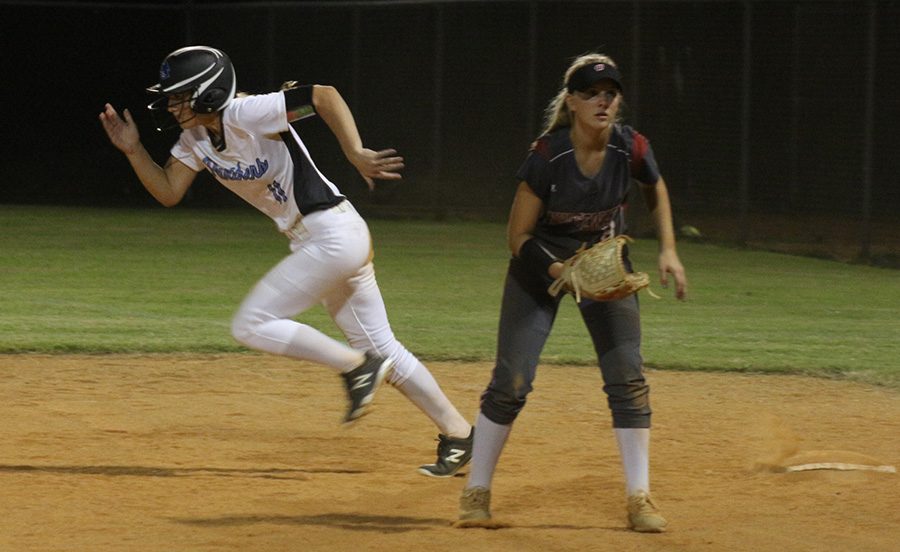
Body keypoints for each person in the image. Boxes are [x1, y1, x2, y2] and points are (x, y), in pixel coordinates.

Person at [99, 45, 473, 478]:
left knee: (251, 324)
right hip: (317, 240)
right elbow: (168, 191)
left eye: (180, 95)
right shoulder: (195, 140)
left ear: (208, 92)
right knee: (383, 346)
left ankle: (357, 367)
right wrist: (133, 151)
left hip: (332, 234)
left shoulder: (246, 112)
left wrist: (354, 152)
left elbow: (324, 96)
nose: (172, 104)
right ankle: (460, 433)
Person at [454, 53, 687, 532]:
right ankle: (476, 491)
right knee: (512, 380)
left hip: (604, 267)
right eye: (590, 93)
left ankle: (639, 497)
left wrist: (668, 249)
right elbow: (517, 238)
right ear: (573, 102)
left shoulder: (630, 148)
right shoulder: (548, 156)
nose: (603, 100)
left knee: (627, 378)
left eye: (610, 92)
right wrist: (562, 269)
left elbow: (655, 186)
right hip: (541, 271)